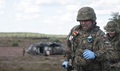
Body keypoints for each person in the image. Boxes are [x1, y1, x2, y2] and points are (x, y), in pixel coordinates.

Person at [62, 7, 110, 71]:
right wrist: (66, 60)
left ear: (93, 21)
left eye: (86, 21)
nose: (83, 23)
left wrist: (95, 55)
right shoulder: (75, 30)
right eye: (81, 21)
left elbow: (109, 53)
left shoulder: (100, 35)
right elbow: (69, 45)